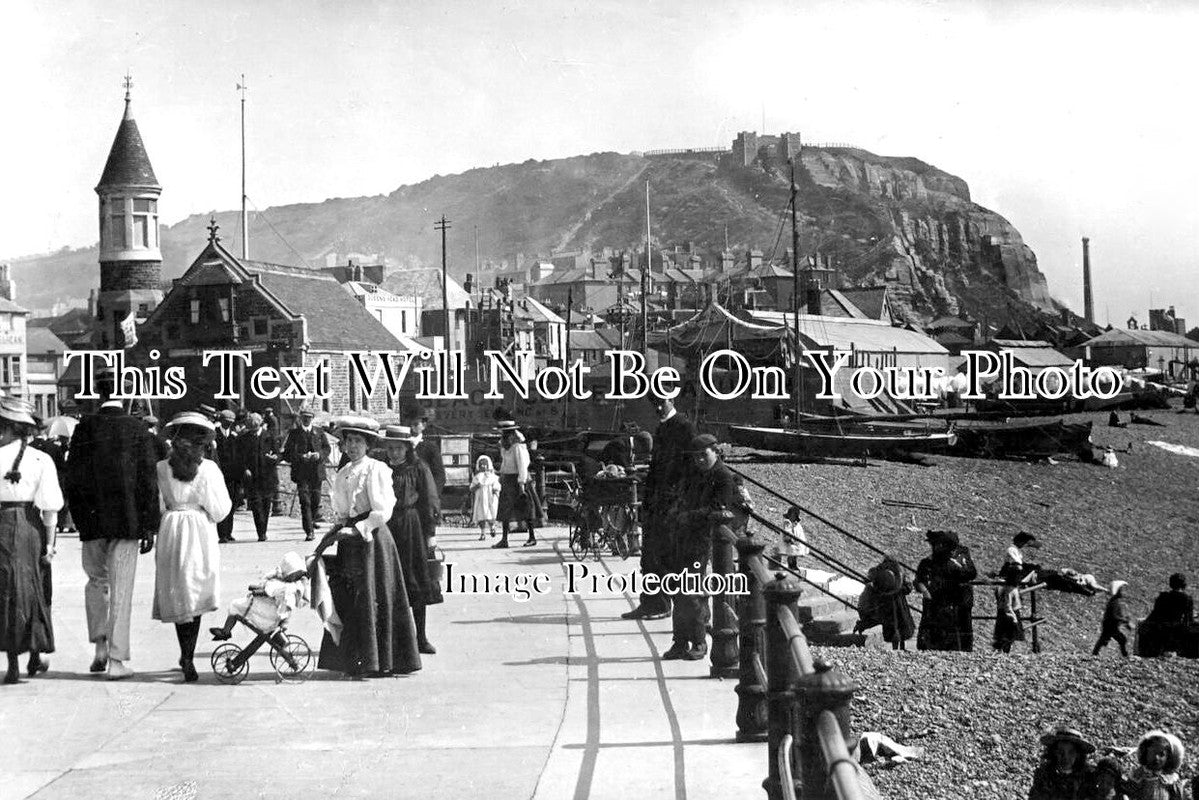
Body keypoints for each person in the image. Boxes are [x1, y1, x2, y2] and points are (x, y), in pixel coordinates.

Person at [313, 417, 421, 678]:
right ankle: (354, 659)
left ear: (368, 444)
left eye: (358, 441)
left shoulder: (376, 469)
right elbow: (342, 510)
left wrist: (358, 529)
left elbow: (382, 509)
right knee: (350, 595)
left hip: (372, 539)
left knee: (375, 593)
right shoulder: (343, 472)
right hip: (350, 541)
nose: (352, 446)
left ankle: (381, 660)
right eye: (348, 441)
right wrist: (338, 528)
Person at [66, 386, 161, 680]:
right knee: (122, 589)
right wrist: (149, 525)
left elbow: (71, 478)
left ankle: (99, 645)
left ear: (99, 395)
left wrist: (81, 520)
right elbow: (148, 479)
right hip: (127, 523)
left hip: (93, 523)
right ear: (126, 396)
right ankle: (117, 661)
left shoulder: (84, 429)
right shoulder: (137, 429)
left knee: (96, 582)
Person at [152, 412, 232, 683]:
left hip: (172, 529)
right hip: (198, 529)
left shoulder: (162, 468)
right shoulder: (208, 469)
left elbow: (158, 504)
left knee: (178, 592)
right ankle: (189, 654)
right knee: (195, 590)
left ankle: (184, 652)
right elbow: (220, 510)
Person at [663, 433, 747, 661]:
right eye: (696, 456)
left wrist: (687, 516)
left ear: (716, 451)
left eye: (704, 455)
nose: (700, 459)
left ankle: (699, 641)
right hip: (683, 537)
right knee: (677, 589)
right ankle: (680, 641)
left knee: (692, 592)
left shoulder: (723, 476)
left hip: (702, 540)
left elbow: (719, 511)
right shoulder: (697, 474)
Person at [0, 399, 63, 684]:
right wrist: (50, 545)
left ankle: (12, 660)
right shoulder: (40, 459)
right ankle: (35, 651)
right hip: (29, 525)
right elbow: (50, 507)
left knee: (5, 590)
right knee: (34, 587)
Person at [622, 396, 696, 621]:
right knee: (650, 555)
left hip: (671, 502)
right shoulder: (663, 427)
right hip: (657, 502)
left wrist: (678, 499)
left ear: (672, 399)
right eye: (654, 404)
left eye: (661, 403)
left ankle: (661, 605)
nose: (657, 408)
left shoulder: (684, 426)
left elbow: (689, 467)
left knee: (663, 555)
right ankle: (650, 603)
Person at [380, 425, 440, 655]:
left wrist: (430, 534)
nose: (395, 453)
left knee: (414, 580)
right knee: (389, 581)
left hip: (411, 526)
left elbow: (429, 500)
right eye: (391, 448)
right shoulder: (381, 468)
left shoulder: (417, 467)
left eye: (399, 448)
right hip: (386, 527)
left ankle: (421, 637)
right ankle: (394, 640)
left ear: (407, 448)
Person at [210, 551, 309, 641]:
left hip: (268, 616)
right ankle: (226, 630)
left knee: (235, 604)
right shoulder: (290, 584)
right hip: (270, 611)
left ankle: (226, 631)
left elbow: (269, 592)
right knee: (238, 605)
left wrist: (256, 592)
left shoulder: (287, 587)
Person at [914, 529, 978, 651]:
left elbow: (972, 573)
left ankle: (961, 649)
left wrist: (957, 570)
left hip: (960, 599)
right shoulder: (930, 561)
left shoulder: (961, 555)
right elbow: (920, 579)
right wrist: (926, 592)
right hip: (939, 599)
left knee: (961, 627)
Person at [282, 407, 330, 542]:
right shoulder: (294, 434)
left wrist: (319, 455)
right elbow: (287, 453)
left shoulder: (319, 432)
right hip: (302, 473)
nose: (306, 419)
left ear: (312, 418)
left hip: (316, 472)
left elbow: (327, 448)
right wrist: (300, 457)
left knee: (315, 500)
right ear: (300, 418)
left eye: (309, 417)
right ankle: (309, 531)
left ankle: (313, 520)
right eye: (304, 417)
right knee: (305, 501)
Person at [493, 418, 539, 549]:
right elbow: (505, 463)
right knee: (505, 510)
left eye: (504, 434)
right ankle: (504, 539)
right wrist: (500, 473)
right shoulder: (505, 447)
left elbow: (522, 465)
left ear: (511, 434)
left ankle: (532, 537)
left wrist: (521, 484)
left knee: (526, 509)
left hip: (518, 480)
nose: (502, 436)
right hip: (508, 479)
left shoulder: (518, 447)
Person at [854, 555, 914, 650]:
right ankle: (900, 647)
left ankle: (896, 647)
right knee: (901, 624)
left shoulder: (879, 570)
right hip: (899, 602)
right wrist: (901, 589)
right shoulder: (899, 571)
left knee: (893, 625)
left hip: (887, 602)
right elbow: (908, 587)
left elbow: (870, 581)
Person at [236, 412, 279, 542]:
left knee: (266, 505)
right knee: (256, 505)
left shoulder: (269, 437)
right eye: (251, 429)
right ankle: (261, 532)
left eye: (255, 428)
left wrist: (275, 458)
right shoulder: (244, 438)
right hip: (252, 478)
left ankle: (263, 529)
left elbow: (278, 453)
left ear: (260, 424)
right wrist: (245, 469)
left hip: (268, 476)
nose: (253, 431)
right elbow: (240, 457)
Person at [1028, 727, 1095, 800]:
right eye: (1061, 752)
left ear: (1078, 754)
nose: (1065, 758)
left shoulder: (1087, 778)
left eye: (1071, 752)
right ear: (1054, 752)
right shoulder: (1044, 775)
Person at [1126, 731, 1185, 800]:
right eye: (1152, 753)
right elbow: (1129, 793)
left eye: (1161, 755)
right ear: (1145, 753)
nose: (1156, 757)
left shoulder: (1170, 779)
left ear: (1168, 758)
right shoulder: (1138, 775)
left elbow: (1177, 797)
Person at [401, 404, 445, 497]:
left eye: (416, 424)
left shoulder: (430, 447)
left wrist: (433, 497)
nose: (412, 428)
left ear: (423, 425)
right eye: (409, 425)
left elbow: (439, 476)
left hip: (425, 496)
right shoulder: (402, 446)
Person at [212, 410, 239, 543]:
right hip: (219, 474)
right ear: (222, 421)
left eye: (230, 423)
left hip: (233, 474)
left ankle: (229, 532)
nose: (228, 425)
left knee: (232, 504)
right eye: (226, 422)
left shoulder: (234, 435)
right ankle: (221, 533)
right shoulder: (215, 434)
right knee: (221, 502)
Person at [1093, 580, 1132, 657]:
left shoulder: (1115, 601)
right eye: (1121, 590)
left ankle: (1095, 653)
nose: (1123, 592)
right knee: (1117, 639)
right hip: (1110, 625)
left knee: (1113, 639)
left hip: (1110, 625)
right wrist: (1124, 620)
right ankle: (1124, 654)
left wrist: (1124, 620)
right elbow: (1114, 616)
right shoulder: (1115, 602)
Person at [993, 563, 1024, 653]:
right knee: (1008, 635)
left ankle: (1004, 651)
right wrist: (1014, 617)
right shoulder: (1009, 590)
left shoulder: (1012, 588)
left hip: (1012, 612)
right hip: (1010, 614)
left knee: (1009, 636)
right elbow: (1007, 605)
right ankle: (1004, 651)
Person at [470, 455, 500, 540]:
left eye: (485, 464)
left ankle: (492, 527)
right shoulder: (477, 477)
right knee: (481, 516)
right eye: (481, 464)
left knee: (491, 514)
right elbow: (471, 488)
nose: (483, 466)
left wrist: (495, 489)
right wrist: (477, 486)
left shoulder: (492, 476)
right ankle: (483, 533)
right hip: (480, 499)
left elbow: (497, 485)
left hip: (490, 497)